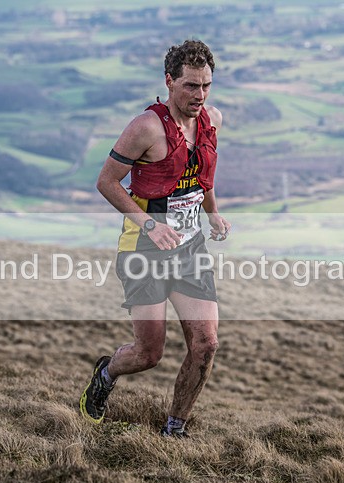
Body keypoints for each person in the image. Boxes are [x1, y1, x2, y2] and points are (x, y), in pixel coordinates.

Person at [79, 39, 230, 438]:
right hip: (143, 249)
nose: (199, 95)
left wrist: (211, 210)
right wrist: (149, 224)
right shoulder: (145, 127)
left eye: (206, 85)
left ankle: (174, 428)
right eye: (190, 86)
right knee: (149, 354)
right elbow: (106, 182)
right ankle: (107, 372)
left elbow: (202, 174)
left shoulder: (212, 119)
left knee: (206, 344)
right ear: (169, 81)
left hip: (189, 248)